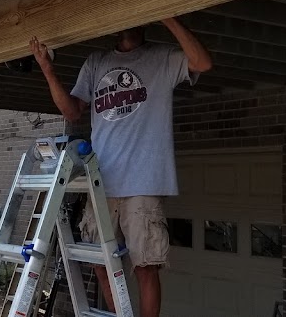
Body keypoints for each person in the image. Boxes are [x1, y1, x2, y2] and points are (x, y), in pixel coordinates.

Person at [30, 17, 212, 317]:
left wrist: (168, 16)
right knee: (100, 265)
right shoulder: (96, 62)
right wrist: (48, 70)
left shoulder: (162, 58)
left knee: (146, 267)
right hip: (101, 183)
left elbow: (203, 63)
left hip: (143, 183)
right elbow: (71, 111)